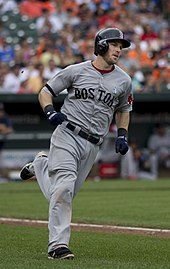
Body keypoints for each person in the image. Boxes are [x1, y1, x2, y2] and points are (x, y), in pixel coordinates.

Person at [20, 28, 133, 260]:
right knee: (63, 188)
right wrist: (50, 111)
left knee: (63, 192)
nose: (119, 49)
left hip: (93, 145)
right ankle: (58, 246)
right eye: (114, 44)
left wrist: (122, 134)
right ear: (100, 45)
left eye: (121, 46)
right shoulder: (76, 71)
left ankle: (40, 165)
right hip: (67, 134)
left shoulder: (124, 80)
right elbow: (45, 92)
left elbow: (124, 109)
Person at [0, 102, 13, 171]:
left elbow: (10, 130)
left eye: (1, 110)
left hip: (1, 146)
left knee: (2, 167)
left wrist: (3, 129)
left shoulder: (5, 118)